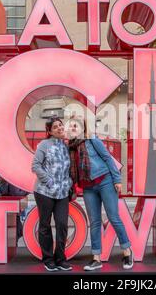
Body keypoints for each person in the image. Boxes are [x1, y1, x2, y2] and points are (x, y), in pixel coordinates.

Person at [66, 116, 133, 271]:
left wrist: (117, 180)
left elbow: (108, 159)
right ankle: (96, 258)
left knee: (113, 217)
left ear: (83, 128)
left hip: (105, 181)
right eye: (71, 126)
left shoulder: (92, 141)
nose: (74, 127)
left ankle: (127, 251)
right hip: (88, 187)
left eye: (77, 125)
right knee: (95, 222)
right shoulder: (70, 148)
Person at [31, 117, 73, 272]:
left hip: (62, 193)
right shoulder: (44, 145)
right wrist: (48, 181)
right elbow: (35, 165)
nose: (59, 128)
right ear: (49, 131)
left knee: (62, 224)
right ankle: (48, 259)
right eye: (55, 127)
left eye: (61, 125)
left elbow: (69, 169)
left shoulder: (66, 146)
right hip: (44, 192)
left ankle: (60, 259)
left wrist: (69, 184)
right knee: (45, 225)